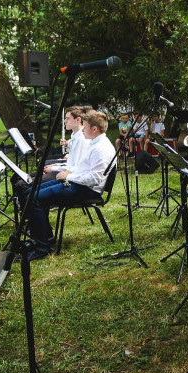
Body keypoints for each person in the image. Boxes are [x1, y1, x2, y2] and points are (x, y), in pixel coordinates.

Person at [26, 110, 116, 261]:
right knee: (30, 192)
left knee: (34, 199)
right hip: (77, 182)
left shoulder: (101, 149)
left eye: (85, 127)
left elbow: (94, 179)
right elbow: (81, 167)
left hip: (86, 190)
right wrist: (65, 172)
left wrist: (69, 175)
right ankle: (45, 237)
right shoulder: (95, 143)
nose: (83, 130)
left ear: (94, 129)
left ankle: (42, 248)